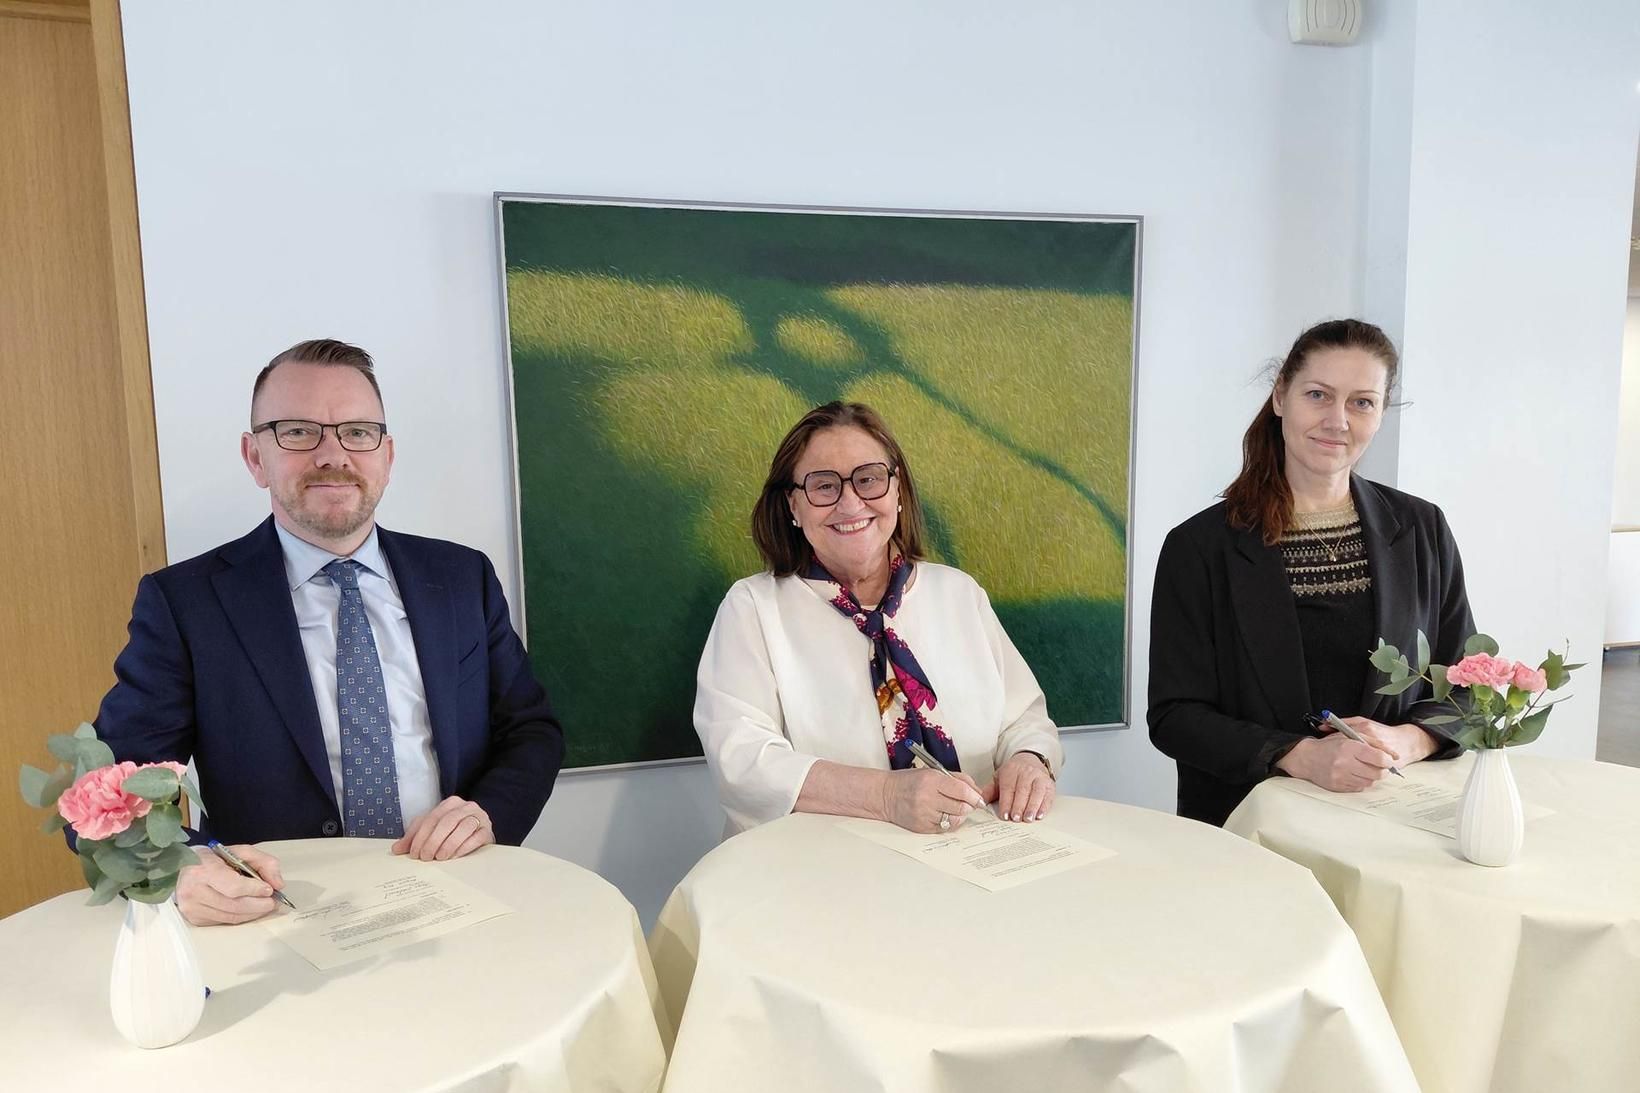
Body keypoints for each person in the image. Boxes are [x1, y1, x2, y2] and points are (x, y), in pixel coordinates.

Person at [94, 339, 564, 924]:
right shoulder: (186, 603)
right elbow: (109, 786)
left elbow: (530, 729)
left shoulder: (461, 577)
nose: (332, 454)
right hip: (276, 916)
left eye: (357, 432)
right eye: (298, 432)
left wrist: (488, 811)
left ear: (386, 455)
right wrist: (179, 868)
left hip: (456, 893)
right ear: (255, 456)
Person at [1148, 318, 1475, 826]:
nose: (1337, 420)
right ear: (1281, 396)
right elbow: (1175, 716)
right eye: (1318, 395)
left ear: (1381, 412)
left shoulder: (1422, 528)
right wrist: (1298, 755)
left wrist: (1407, 740)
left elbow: (1466, 685)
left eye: (1361, 402)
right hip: (1252, 827)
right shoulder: (1199, 547)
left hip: (1390, 819)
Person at [694, 401, 1062, 837]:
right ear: (794, 505)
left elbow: (1024, 719)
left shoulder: (960, 594)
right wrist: (887, 796)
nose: (851, 503)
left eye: (868, 479)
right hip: (815, 867)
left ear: (896, 490)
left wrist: (1029, 760)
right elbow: (741, 759)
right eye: (824, 486)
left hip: (973, 857)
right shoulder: (752, 608)